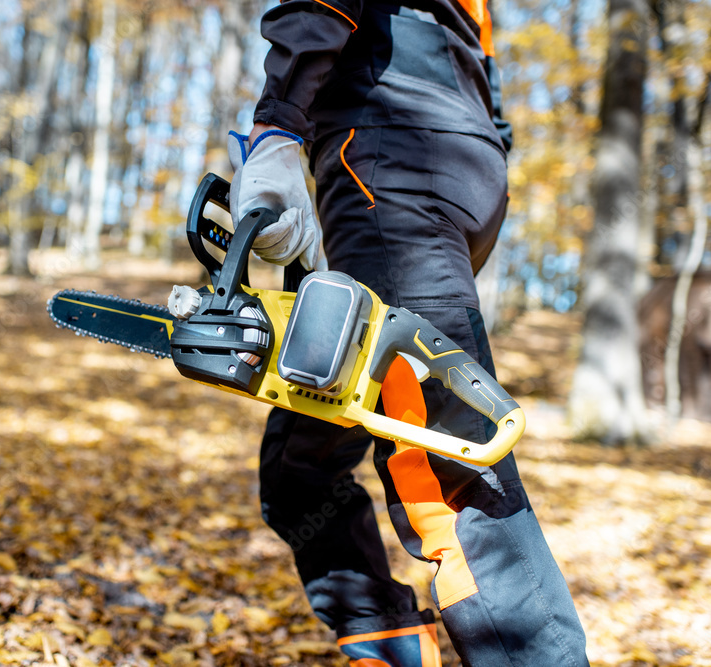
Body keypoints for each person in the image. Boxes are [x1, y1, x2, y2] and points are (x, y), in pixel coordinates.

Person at [225, 1, 591, 665]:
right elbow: (486, 75)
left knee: (448, 474)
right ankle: (390, 638)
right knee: (302, 455)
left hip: (387, 161)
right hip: (452, 161)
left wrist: (277, 126)